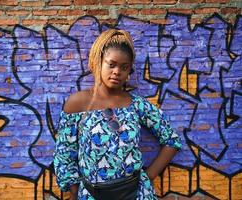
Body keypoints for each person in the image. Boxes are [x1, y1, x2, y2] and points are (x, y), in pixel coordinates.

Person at [54, 29, 182, 200]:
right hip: (92, 194)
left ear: (129, 71)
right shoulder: (77, 103)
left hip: (136, 194)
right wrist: (76, 193)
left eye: (124, 67)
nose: (117, 72)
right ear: (99, 62)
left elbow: (171, 140)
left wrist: (147, 178)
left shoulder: (136, 104)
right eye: (111, 64)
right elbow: (64, 155)